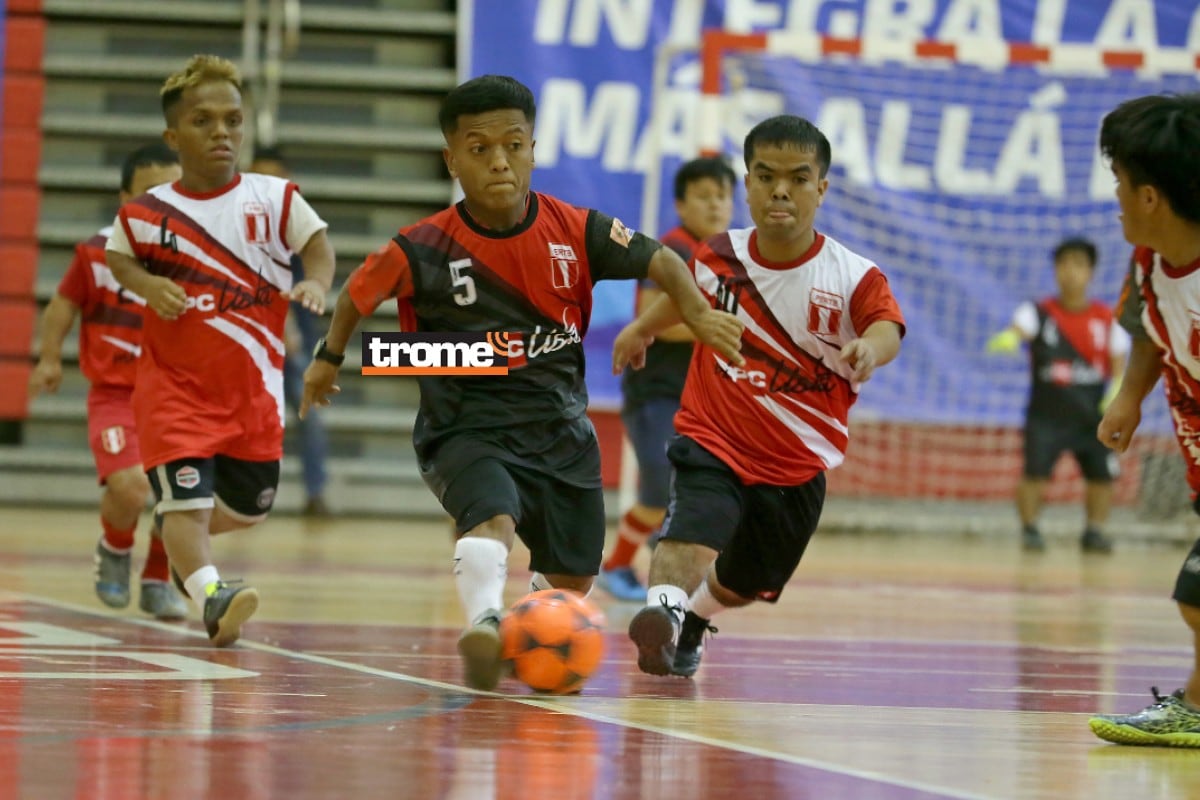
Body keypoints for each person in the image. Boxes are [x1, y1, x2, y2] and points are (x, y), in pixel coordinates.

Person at [300, 74, 744, 691]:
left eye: (513, 145)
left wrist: (696, 313)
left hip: (561, 430)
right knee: (492, 520)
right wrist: (328, 358)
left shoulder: (577, 229)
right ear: (451, 161)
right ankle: (484, 624)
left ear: (533, 150)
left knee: (574, 577)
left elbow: (663, 260)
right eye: (479, 149)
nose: (499, 161)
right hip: (466, 427)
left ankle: (521, 632)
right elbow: (357, 293)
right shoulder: (423, 246)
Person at [613, 115, 905, 678]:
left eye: (798, 178)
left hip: (795, 462)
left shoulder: (853, 275)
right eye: (766, 176)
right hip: (714, 436)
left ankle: (694, 619)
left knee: (746, 581)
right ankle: (663, 615)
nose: (780, 191)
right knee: (688, 531)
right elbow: (686, 297)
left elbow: (887, 326)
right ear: (747, 184)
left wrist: (870, 348)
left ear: (821, 188)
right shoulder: (717, 255)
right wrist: (644, 328)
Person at [104, 55, 336, 646]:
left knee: (249, 509)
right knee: (187, 507)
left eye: (233, 120)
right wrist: (148, 285)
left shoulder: (275, 197)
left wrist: (315, 282)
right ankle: (212, 593)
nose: (222, 133)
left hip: (252, 396)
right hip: (175, 392)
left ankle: (179, 540)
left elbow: (316, 244)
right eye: (203, 121)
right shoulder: (147, 213)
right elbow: (118, 257)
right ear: (173, 136)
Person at [28, 143, 189, 620]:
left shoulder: (195, 258)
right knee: (130, 487)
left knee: (184, 494)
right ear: (124, 200)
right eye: (149, 194)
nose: (161, 205)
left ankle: (157, 578)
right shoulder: (96, 253)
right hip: (116, 396)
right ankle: (115, 549)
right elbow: (63, 305)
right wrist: (49, 358)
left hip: (177, 397)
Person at [1088, 93, 1200, 748]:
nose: (1117, 199)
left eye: (1120, 184)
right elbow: (1147, 330)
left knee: (1195, 593)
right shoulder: (1151, 261)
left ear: (1150, 197)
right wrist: (1129, 397)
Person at [599, 156, 737, 602]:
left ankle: (668, 560)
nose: (715, 205)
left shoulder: (730, 257)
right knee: (659, 486)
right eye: (704, 196)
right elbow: (650, 317)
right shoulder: (673, 251)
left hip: (698, 399)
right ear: (680, 205)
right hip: (655, 394)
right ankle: (617, 565)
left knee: (691, 490)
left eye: (722, 196)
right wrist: (710, 327)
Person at [985, 237, 1129, 554]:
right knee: (1034, 474)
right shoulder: (1038, 312)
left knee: (1101, 476)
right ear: (1055, 270)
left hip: (1092, 417)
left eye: (1079, 264)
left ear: (1091, 272)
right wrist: (1011, 337)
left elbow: (1120, 366)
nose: (1070, 272)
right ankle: (1030, 530)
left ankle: (1094, 531)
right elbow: (1020, 328)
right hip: (1046, 415)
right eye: (1064, 264)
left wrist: (1118, 390)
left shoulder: (1108, 319)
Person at [248, 145, 332, 517]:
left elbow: (308, 279)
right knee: (246, 419)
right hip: (248, 339)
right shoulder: (237, 225)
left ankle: (316, 493)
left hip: (294, 339)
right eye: (258, 178)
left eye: (274, 179)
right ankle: (243, 492)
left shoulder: (298, 226)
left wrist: (292, 328)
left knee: (308, 416)